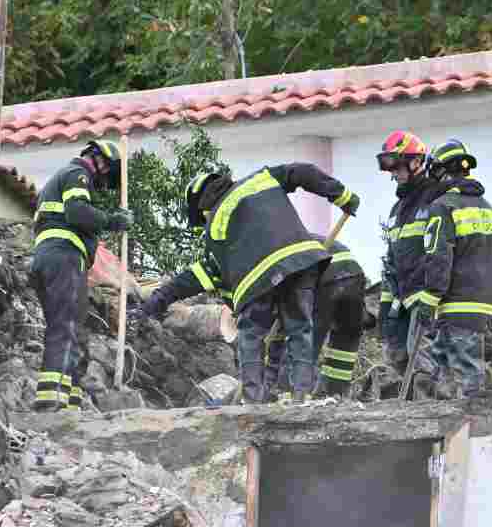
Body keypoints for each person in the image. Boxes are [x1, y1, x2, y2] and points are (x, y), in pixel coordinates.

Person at [132, 163, 360, 404]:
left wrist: (149, 307)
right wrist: (341, 195)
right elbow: (302, 171)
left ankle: (251, 403)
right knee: (300, 330)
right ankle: (299, 397)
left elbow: (182, 284)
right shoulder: (261, 179)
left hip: (258, 281)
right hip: (302, 264)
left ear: (202, 206)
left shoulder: (216, 228)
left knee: (251, 336)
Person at [31, 139, 132, 412]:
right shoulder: (77, 173)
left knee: (74, 330)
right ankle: (53, 400)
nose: (104, 181)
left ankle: (69, 401)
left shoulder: (62, 178)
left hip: (53, 261)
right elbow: (77, 212)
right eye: (108, 174)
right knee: (66, 327)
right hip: (64, 258)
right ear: (100, 161)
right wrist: (113, 221)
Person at [420, 139, 492, 398]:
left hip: (457, 299)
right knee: (446, 366)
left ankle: (473, 429)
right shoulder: (487, 208)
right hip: (484, 300)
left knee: (465, 375)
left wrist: (430, 297)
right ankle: (451, 430)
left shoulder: (443, 206)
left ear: (440, 171)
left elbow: (438, 255)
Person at [377, 131, 448, 399]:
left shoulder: (436, 198)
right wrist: (385, 308)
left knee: (423, 361)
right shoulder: (399, 209)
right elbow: (392, 260)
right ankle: (409, 413)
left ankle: (431, 413)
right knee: (395, 355)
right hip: (401, 299)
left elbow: (443, 251)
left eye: (396, 166)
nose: (392, 174)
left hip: (426, 297)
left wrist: (434, 294)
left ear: (416, 162)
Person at [264, 233, 366, 400]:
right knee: (345, 340)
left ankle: (292, 397)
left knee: (304, 340)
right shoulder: (292, 240)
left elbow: (281, 331)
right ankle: (334, 394)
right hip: (354, 275)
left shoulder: (274, 255)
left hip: (327, 278)